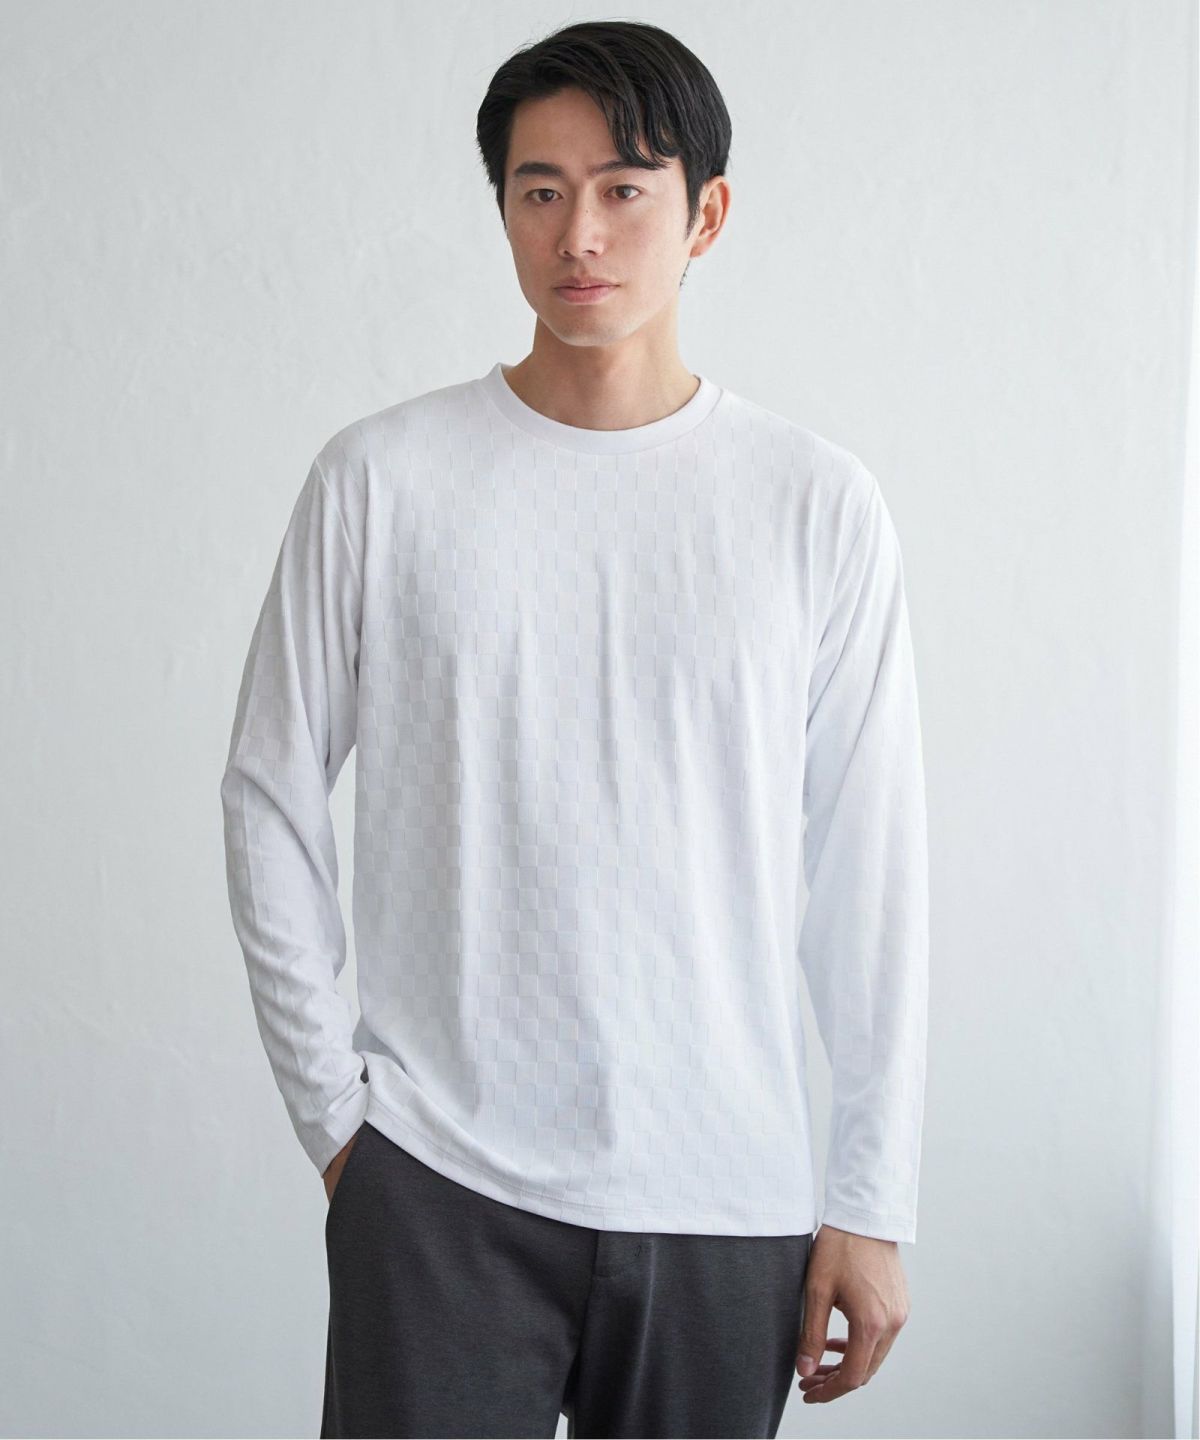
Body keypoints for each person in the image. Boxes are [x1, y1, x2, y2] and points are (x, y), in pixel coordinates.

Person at [220, 18, 929, 1439]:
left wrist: (871, 1196)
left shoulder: (812, 505)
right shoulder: (382, 481)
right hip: (438, 1181)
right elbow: (268, 793)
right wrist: (342, 1128)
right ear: (502, 210)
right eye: (539, 191)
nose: (579, 234)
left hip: (725, 1194)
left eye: (623, 189)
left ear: (705, 214)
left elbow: (869, 865)